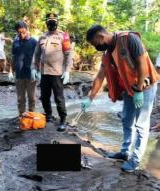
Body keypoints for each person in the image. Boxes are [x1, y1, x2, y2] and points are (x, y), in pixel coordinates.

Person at [82, 24, 159, 172]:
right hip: (130, 88)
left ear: (100, 37)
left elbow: (142, 63)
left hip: (145, 87)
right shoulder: (107, 53)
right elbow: (100, 76)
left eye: (94, 43)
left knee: (141, 125)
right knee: (126, 119)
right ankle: (125, 152)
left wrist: (139, 90)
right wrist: (90, 98)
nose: (94, 46)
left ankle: (135, 160)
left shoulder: (129, 39)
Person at [32, 13, 73, 131]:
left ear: (57, 22)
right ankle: (48, 115)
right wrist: (34, 68)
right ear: (46, 23)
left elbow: (68, 54)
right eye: (49, 22)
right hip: (44, 73)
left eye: (53, 22)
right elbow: (36, 54)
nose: (51, 24)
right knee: (44, 97)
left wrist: (67, 71)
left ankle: (63, 120)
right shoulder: (42, 37)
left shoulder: (63, 36)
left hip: (57, 73)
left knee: (59, 98)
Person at [12, 21, 38, 116]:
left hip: (31, 73)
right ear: (16, 32)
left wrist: (37, 71)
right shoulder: (15, 42)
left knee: (32, 98)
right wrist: (11, 71)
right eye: (19, 33)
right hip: (19, 74)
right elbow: (14, 57)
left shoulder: (34, 42)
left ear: (27, 30)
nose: (22, 34)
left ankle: (31, 116)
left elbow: (38, 57)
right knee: (20, 99)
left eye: (23, 32)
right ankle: (21, 117)